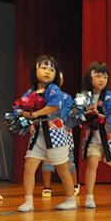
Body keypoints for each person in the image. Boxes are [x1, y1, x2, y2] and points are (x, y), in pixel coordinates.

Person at [16, 55, 77, 212]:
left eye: (51, 69)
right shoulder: (31, 91)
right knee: (29, 167)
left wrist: (36, 113)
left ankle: (71, 199)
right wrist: (22, 112)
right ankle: (28, 201)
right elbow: (19, 107)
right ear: (35, 70)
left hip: (55, 134)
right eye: (43, 68)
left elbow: (54, 106)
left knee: (63, 168)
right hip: (37, 135)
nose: (47, 72)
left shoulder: (54, 89)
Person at [79, 61, 111, 208]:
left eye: (105, 77)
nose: (102, 80)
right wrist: (84, 114)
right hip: (93, 137)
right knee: (92, 163)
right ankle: (89, 197)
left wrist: (101, 116)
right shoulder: (83, 96)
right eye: (98, 76)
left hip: (110, 138)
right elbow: (75, 113)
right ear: (90, 79)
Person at [41, 70, 80, 198]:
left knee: (69, 161)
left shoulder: (67, 97)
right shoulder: (44, 95)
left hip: (64, 130)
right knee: (47, 160)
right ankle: (47, 187)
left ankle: (74, 185)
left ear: (62, 82)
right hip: (48, 130)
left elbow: (69, 114)